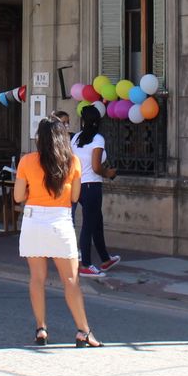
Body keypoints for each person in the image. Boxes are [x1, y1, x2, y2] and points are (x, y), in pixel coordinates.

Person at [15, 116, 101, 348]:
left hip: (33, 220)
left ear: (39, 139)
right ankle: (83, 331)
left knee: (37, 278)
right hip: (60, 221)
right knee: (71, 280)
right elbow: (74, 197)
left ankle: (41, 328)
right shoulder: (72, 162)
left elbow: (18, 196)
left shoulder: (26, 161)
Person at [72, 105, 120, 278]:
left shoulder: (76, 138)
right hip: (92, 185)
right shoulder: (98, 139)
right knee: (88, 225)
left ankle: (105, 259)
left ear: (83, 120)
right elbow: (96, 166)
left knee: (96, 222)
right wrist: (109, 173)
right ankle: (85, 264)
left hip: (78, 184)